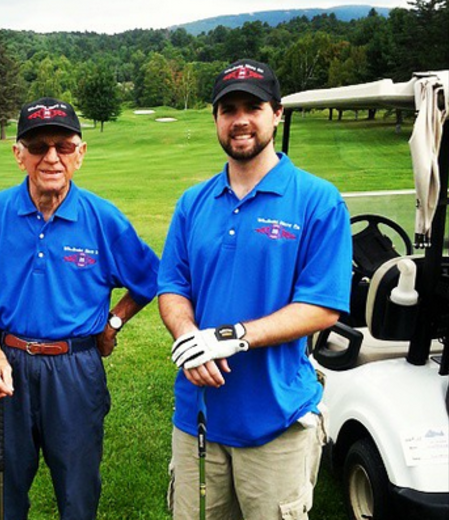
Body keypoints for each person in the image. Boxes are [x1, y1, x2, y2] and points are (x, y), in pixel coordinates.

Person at [158, 60, 352, 520]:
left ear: (277, 113)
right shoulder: (193, 203)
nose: (240, 119)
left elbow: (322, 306)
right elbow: (172, 286)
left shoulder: (317, 199)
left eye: (253, 106)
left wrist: (227, 337)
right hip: (197, 417)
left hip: (277, 420)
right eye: (228, 109)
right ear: (216, 119)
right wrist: (188, 335)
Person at [0, 97, 159, 520]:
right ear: (19, 154)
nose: (50, 157)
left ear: (80, 154)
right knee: (0, 492)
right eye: (37, 146)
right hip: (8, 366)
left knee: (77, 492)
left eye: (63, 146)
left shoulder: (103, 218)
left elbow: (149, 279)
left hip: (75, 369)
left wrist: (114, 321)